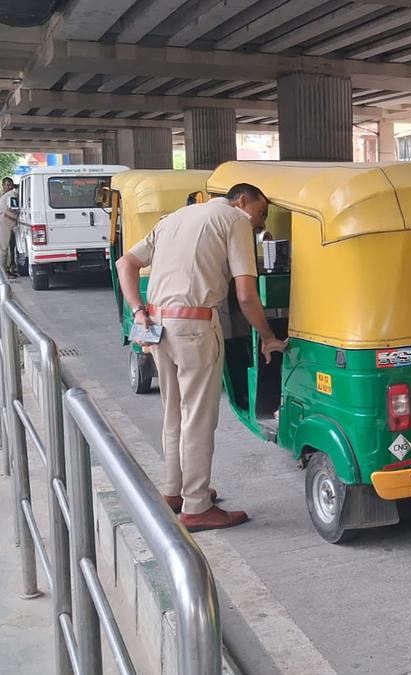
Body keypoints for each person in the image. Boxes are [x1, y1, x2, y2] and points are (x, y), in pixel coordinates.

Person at [115, 183, 287, 532]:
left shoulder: (174, 218)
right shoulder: (234, 221)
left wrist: (137, 310)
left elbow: (125, 263)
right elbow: (246, 294)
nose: (260, 223)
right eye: (260, 213)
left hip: (156, 323)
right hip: (194, 327)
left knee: (174, 412)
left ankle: (174, 491)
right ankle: (196, 506)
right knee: (198, 417)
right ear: (242, 201)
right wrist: (268, 337)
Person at [0, 178, 19, 276]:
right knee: (1, 249)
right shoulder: (13, 195)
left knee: (2, 248)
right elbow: (15, 209)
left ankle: (3, 271)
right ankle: (2, 274)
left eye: (11, 185)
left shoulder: (10, 194)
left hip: (3, 219)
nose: (9, 187)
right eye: (7, 185)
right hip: (2, 220)